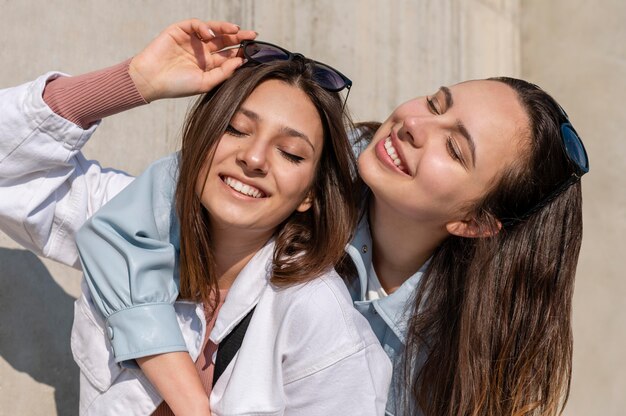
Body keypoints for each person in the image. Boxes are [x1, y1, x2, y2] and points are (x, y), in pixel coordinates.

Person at [0, 18, 588, 416]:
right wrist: (132, 82)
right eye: (436, 102)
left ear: (475, 222)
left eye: (455, 149)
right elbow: (26, 183)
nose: (415, 125)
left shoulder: (434, 365)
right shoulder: (230, 207)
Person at [0, 19, 391, 415]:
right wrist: (135, 80)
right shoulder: (125, 225)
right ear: (202, 137)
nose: (253, 159)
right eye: (237, 129)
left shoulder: (319, 319)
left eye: (290, 153)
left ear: (309, 193)